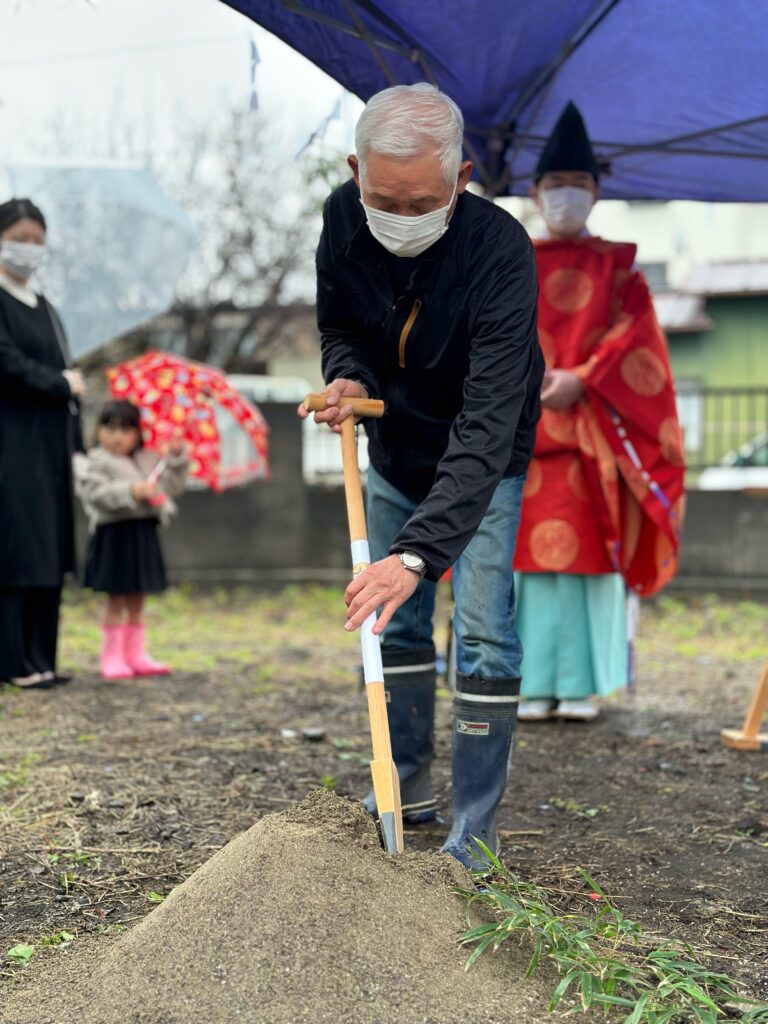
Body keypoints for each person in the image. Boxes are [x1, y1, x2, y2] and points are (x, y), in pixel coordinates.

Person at [299, 83, 543, 868]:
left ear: (462, 178)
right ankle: (402, 787)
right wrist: (345, 376)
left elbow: (489, 417)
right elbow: (342, 325)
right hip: (395, 447)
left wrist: (416, 554)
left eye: (423, 201)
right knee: (392, 620)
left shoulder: (500, 254)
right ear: (354, 171)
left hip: (483, 458)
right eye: (382, 197)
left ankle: (474, 832)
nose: (401, 216)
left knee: (478, 621)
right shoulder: (341, 219)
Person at [514, 102, 685, 722]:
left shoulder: (621, 268)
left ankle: (582, 686)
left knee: (588, 559)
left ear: (597, 193)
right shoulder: (510, 258)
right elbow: (489, 333)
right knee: (521, 566)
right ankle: (529, 683)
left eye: (578, 186)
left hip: (593, 441)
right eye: (556, 185)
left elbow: (638, 339)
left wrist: (582, 378)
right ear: (534, 192)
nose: (566, 196)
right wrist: (535, 380)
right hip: (521, 433)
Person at [0, 197, 84, 690]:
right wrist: (59, 383)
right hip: (13, 446)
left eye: (38, 241)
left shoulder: (47, 307)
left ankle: (42, 657)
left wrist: (69, 387)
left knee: (50, 546)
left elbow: (61, 367)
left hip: (51, 447)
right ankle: (13, 660)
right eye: (19, 239)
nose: (29, 250)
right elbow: (7, 363)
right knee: (18, 547)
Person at [74, 399, 188, 680]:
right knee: (116, 599)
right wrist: (132, 491)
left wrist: (174, 458)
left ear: (138, 433)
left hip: (142, 535)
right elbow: (96, 495)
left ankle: (135, 653)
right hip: (115, 536)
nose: (117, 436)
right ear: (99, 430)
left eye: (126, 430)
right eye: (110, 429)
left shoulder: (149, 459)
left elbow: (171, 485)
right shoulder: (94, 461)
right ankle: (111, 656)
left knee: (137, 598)